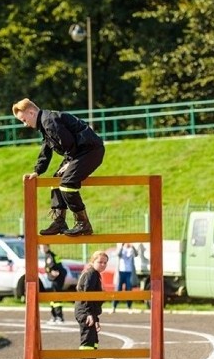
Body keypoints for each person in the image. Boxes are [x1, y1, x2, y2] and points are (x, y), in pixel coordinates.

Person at [12, 98, 105, 236]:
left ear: (31, 113)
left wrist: (72, 164)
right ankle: (59, 221)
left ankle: (83, 223)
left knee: (67, 184)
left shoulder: (49, 121)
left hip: (90, 151)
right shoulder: (45, 123)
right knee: (56, 181)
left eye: (24, 120)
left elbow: (69, 143)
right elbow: (46, 149)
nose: (25, 125)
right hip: (79, 152)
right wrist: (38, 171)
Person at [76, 250, 107, 359]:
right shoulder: (90, 274)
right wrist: (89, 314)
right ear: (92, 261)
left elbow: (94, 299)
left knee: (93, 342)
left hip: (90, 312)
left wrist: (96, 318)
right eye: (100, 262)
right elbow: (87, 295)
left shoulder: (96, 275)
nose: (103, 265)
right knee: (87, 340)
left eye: (105, 262)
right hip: (84, 311)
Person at [42, 244, 67, 323]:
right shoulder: (51, 255)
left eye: (44, 247)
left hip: (57, 279)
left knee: (56, 297)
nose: (42, 249)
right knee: (53, 297)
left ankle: (59, 317)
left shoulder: (49, 256)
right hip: (57, 278)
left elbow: (51, 267)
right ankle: (54, 316)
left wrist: (51, 271)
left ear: (48, 247)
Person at [113, 243, 137, 313]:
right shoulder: (121, 248)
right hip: (120, 272)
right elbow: (118, 254)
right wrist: (122, 247)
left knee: (129, 290)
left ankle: (129, 307)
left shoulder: (131, 249)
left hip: (129, 272)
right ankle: (114, 307)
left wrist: (133, 247)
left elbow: (136, 255)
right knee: (118, 289)